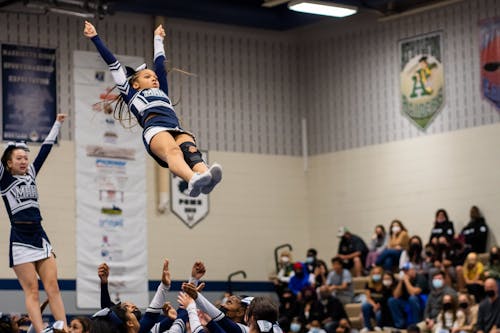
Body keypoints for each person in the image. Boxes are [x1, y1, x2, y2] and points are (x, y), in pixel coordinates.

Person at [83, 21, 222, 197]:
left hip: (175, 128)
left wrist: (158, 39)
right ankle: (192, 179)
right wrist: (95, 37)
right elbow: (113, 63)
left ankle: (206, 177)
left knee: (191, 151)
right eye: (148, 77)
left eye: (154, 77)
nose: (154, 79)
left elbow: (160, 66)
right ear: (135, 83)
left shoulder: (161, 91)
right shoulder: (130, 93)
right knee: (174, 151)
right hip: (155, 129)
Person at [0, 114, 68, 333]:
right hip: (19, 238)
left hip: (39, 235)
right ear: (8, 163)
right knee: (32, 292)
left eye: (25, 158)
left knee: (53, 287)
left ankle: (64, 328)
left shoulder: (31, 173)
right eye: (18, 158)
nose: (23, 161)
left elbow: (46, 149)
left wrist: (57, 123)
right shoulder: (4, 179)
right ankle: (40, 330)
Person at [388, 263, 428, 329]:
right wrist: (400, 282)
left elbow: (413, 293)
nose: (405, 272)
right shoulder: (403, 279)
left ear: (412, 270)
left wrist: (406, 281)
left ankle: (416, 325)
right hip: (407, 303)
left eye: (407, 270)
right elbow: (396, 295)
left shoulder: (421, 278)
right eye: (403, 271)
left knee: (412, 298)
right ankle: (399, 325)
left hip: (420, 303)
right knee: (392, 300)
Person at [360, 266, 392, 332]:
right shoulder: (368, 284)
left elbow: (386, 298)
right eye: (374, 273)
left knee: (379, 312)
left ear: (381, 274)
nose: (376, 275)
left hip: (383, 306)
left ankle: (379, 326)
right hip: (373, 305)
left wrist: (379, 306)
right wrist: (374, 305)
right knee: (365, 305)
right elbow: (368, 298)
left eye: (378, 273)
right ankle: (367, 327)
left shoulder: (385, 284)